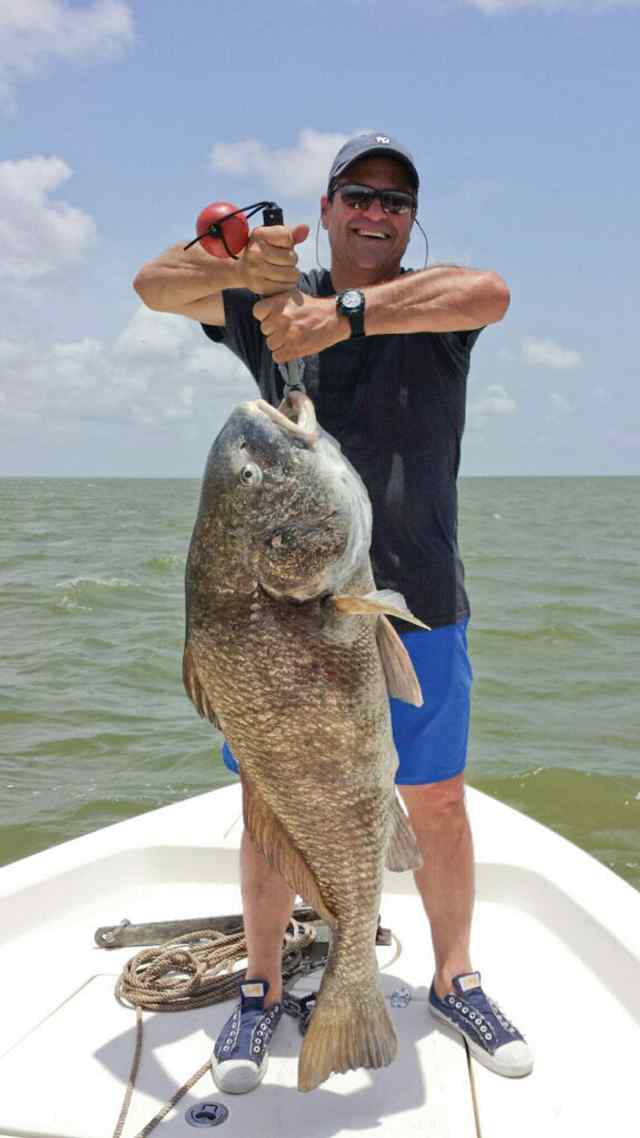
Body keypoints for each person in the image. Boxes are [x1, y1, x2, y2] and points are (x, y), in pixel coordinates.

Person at [134, 132, 533, 1093]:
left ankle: (454, 976)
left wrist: (343, 317)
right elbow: (154, 286)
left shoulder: (428, 306)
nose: (376, 213)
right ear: (326, 208)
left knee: (438, 801)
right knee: (270, 804)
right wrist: (238, 265)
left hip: (419, 604)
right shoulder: (274, 305)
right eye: (358, 195)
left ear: (410, 220)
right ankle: (262, 987)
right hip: (287, 625)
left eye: (395, 201)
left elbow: (489, 293)